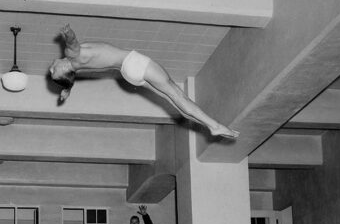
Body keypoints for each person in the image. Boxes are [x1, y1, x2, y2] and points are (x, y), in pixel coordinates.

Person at [48, 24, 239, 139]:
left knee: (172, 101)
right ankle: (213, 125)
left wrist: (66, 89)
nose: (51, 68)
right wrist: (68, 33)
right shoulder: (72, 57)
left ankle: (208, 125)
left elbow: (69, 80)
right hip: (132, 63)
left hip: (128, 72)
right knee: (176, 93)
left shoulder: (75, 67)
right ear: (64, 69)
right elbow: (72, 44)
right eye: (53, 71)